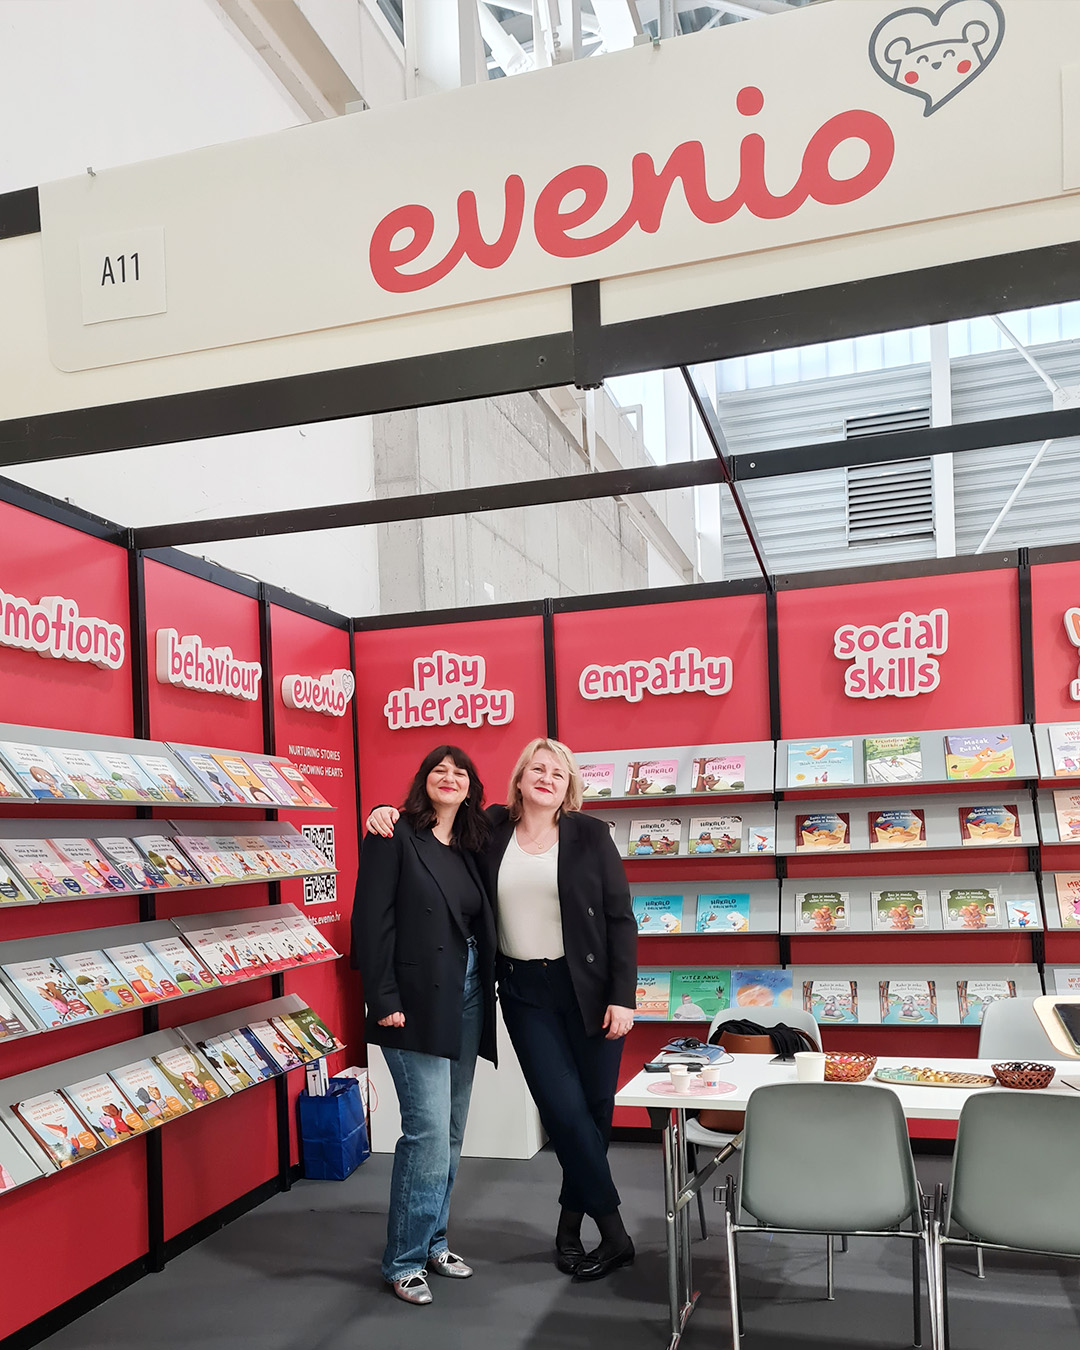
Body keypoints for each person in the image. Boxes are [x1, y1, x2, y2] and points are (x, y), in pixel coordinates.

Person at [366, 737, 637, 1282]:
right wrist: (382, 811)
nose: (546, 779)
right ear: (519, 779)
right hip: (523, 991)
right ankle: (615, 1233)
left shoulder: (591, 834)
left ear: (568, 786)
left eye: (557, 773)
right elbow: (433, 827)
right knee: (562, 1111)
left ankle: (569, 1229)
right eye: (537, 769)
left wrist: (623, 996)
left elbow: (620, 918)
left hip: (589, 991)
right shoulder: (489, 829)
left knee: (593, 1113)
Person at [352, 745, 497, 1307]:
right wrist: (382, 996)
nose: (449, 778)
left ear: (471, 788)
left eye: (460, 772)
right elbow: (371, 920)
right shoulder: (393, 834)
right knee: (428, 1133)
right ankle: (405, 1260)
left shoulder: (472, 843)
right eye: (440, 770)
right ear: (424, 780)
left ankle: (435, 1241)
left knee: (452, 1130)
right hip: (411, 1002)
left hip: (467, 996)